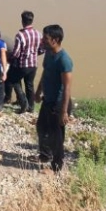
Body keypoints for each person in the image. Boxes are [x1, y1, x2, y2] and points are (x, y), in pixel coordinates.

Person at [34, 25, 73, 173]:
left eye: (46, 38)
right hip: (47, 100)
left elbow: (67, 87)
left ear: (55, 40)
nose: (42, 40)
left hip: (59, 103)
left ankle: (56, 167)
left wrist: (64, 112)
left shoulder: (64, 60)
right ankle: (44, 156)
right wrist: (38, 92)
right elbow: (45, 74)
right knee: (41, 128)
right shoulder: (48, 54)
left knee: (56, 137)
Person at [5, 10, 44, 113]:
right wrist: (34, 54)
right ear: (32, 20)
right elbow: (42, 50)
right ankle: (31, 107)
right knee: (29, 84)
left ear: (22, 21)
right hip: (34, 64)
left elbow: (16, 53)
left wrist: (8, 57)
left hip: (23, 64)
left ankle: (23, 102)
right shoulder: (38, 34)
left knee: (13, 80)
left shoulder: (20, 35)